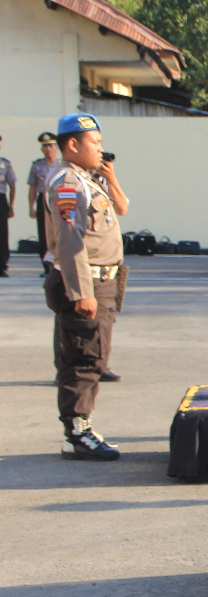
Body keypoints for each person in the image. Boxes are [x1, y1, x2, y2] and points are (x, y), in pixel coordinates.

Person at [43, 114, 128, 460]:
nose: (100, 149)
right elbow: (68, 240)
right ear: (73, 145)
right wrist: (82, 293)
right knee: (82, 358)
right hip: (86, 281)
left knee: (94, 355)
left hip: (102, 280)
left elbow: (121, 208)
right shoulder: (67, 184)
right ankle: (77, 432)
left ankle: (82, 426)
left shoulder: (86, 180)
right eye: (94, 143)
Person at [28, 131, 59, 275]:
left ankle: (59, 266)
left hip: (59, 199)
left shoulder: (62, 164)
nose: (48, 149)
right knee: (44, 234)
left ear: (56, 147)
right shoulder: (37, 165)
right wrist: (31, 207)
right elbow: (33, 188)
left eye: (51, 145)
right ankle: (47, 267)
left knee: (60, 232)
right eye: (45, 146)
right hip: (43, 200)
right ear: (42, 149)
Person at [0, 133, 15, 277]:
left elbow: (12, 185)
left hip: (1, 199)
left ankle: (2, 265)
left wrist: (11, 205)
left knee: (2, 233)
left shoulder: (5, 163)